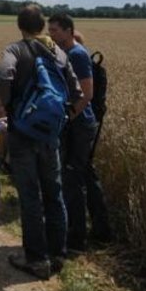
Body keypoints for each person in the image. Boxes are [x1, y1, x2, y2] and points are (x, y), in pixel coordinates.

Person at [0, 3, 74, 279]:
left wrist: (10, 107)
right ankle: (57, 255)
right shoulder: (59, 52)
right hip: (50, 135)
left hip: (22, 134)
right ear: (42, 25)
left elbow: (3, 75)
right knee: (54, 193)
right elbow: (74, 90)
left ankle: (37, 259)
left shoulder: (15, 50)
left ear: (20, 25)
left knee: (30, 196)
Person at [48, 13, 110, 253]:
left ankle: (76, 239)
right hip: (78, 123)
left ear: (68, 31)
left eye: (54, 30)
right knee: (85, 175)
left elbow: (87, 94)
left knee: (72, 179)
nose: (51, 34)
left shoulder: (77, 55)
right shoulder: (67, 54)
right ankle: (101, 230)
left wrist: (66, 118)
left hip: (79, 125)